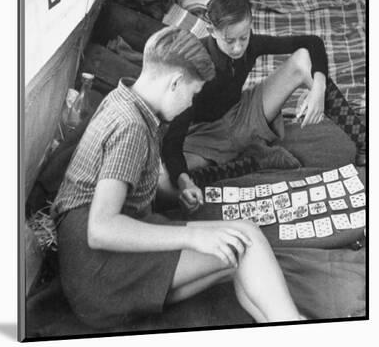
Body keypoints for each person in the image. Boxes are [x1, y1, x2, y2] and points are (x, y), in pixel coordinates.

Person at [51, 26, 303, 328]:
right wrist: (193, 236)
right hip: (99, 266)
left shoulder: (123, 99)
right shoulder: (131, 126)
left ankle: (288, 324)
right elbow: (101, 228)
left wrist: (177, 191)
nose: (190, 104)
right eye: (193, 93)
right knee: (246, 238)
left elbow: (127, 183)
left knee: (233, 258)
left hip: (85, 279)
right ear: (175, 83)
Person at [161, 0, 364, 213]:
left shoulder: (252, 44)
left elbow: (312, 43)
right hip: (204, 136)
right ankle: (253, 161)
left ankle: (363, 140)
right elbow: (172, 143)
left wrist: (318, 87)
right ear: (212, 30)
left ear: (250, 26)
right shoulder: (195, 62)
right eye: (230, 41)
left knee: (303, 60)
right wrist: (184, 181)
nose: (238, 47)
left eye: (244, 38)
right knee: (164, 183)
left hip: (244, 114)